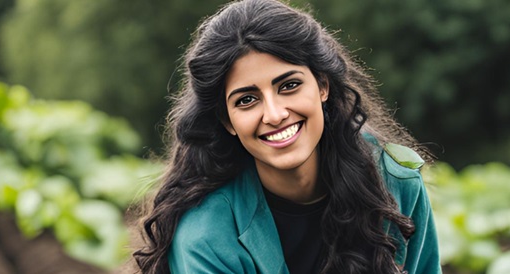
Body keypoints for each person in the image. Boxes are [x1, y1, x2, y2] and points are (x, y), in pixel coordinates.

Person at [132, 0, 441, 273]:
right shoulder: (206, 235)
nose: (275, 114)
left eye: (289, 85)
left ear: (322, 85)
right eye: (247, 100)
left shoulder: (397, 185)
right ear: (227, 121)